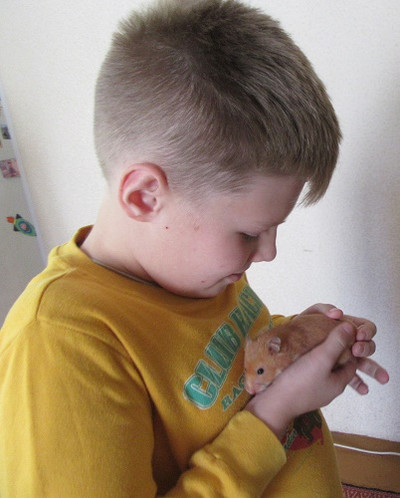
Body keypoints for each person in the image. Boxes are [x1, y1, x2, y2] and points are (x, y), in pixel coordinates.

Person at [0, 0, 389, 496]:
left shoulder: (194, 272)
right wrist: (274, 412)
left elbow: (211, 361)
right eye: (249, 233)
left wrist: (299, 337)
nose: (267, 253)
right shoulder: (60, 343)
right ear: (145, 197)